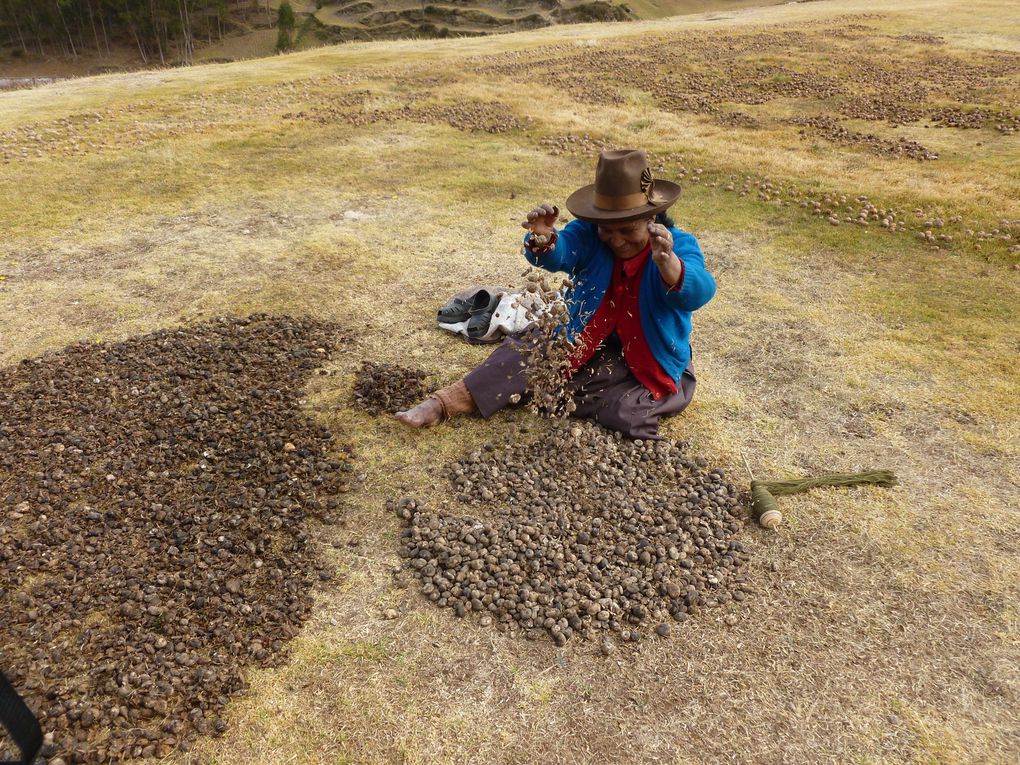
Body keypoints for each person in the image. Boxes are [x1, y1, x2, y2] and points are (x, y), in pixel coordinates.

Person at [396, 148, 716, 439]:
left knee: (625, 412)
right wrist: (544, 239)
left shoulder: (676, 244)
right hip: (579, 335)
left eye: (629, 231)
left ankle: (545, 390)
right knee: (521, 354)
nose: (617, 241)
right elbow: (562, 251)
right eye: (609, 229)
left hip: (647, 357)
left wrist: (669, 265)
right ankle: (444, 403)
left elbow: (699, 291)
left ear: (652, 218)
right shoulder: (590, 234)